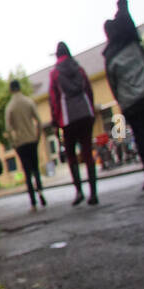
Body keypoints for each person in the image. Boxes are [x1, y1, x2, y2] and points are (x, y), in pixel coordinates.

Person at [103, 0, 144, 190]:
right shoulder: (134, 46)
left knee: (141, 135)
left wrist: (121, 101)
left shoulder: (111, 58)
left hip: (130, 101)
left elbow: (113, 84)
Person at [48, 41, 99, 205]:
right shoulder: (79, 69)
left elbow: (54, 99)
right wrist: (91, 109)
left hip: (67, 118)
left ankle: (79, 191)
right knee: (87, 152)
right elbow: (89, 90)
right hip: (85, 113)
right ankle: (93, 192)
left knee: (71, 155)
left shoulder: (55, 74)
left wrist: (56, 122)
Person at [4, 79, 46, 209]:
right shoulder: (28, 102)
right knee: (35, 168)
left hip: (21, 143)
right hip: (32, 139)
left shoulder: (10, 106)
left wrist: (13, 142)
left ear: (11, 89)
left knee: (27, 172)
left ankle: (33, 201)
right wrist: (37, 136)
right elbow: (38, 121)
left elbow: (8, 128)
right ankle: (40, 191)